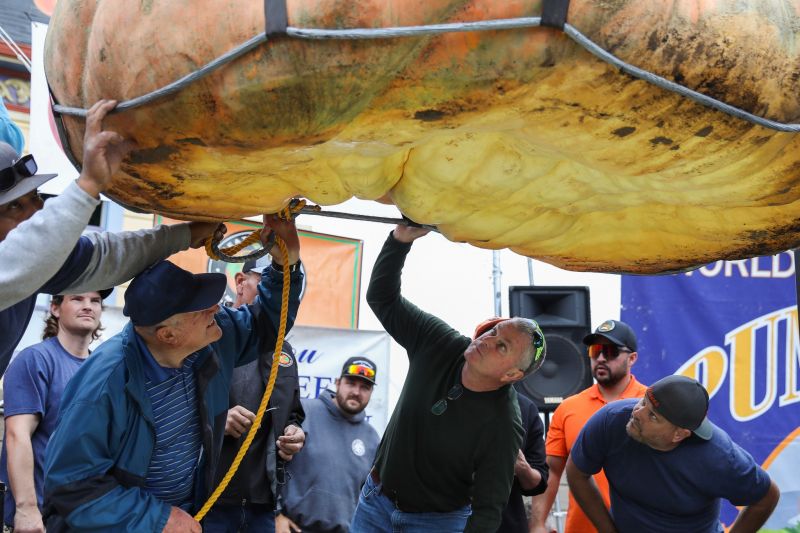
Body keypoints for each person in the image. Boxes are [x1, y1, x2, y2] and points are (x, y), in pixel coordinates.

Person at [43, 216, 304, 532]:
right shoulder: (104, 382)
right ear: (167, 334)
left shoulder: (208, 341)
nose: (216, 310)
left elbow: (266, 326)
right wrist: (158, 518)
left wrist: (284, 265)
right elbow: (72, 485)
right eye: (201, 309)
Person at [350, 225, 547, 532]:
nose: (487, 340)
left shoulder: (504, 423)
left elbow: (488, 511)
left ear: (511, 375)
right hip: (375, 502)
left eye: (502, 346)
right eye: (494, 331)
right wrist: (400, 240)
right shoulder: (440, 342)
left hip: (437, 522)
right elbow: (382, 299)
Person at [0, 99, 218, 376]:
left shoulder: (37, 265)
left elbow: (104, 257)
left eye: (36, 198)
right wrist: (88, 185)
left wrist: (185, 234)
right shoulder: (22, 262)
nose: (37, 211)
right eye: (14, 206)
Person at [567, 375, 780, 533]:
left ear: (679, 434)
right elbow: (577, 473)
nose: (637, 413)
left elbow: (767, 496)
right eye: (643, 402)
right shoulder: (611, 420)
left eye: (653, 416)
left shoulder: (719, 455)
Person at [203, 256, 306, 532]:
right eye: (268, 283)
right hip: (207, 502)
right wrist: (216, 421)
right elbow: (174, 406)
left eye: (283, 288)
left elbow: (293, 412)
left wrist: (295, 433)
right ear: (240, 282)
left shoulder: (284, 351)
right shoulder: (206, 334)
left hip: (263, 506)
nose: (277, 295)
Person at [0, 290, 110, 533]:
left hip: (83, 518)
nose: (88, 306)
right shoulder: (36, 360)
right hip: (40, 520)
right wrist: (27, 510)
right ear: (55, 308)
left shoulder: (102, 370)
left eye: (95, 301)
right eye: (77, 298)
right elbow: (17, 436)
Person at [530, 319, 647, 533]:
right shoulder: (568, 408)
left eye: (610, 351)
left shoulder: (651, 404)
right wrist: (538, 523)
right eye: (595, 351)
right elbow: (552, 470)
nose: (601, 358)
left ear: (632, 358)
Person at [276, 356, 381, 533]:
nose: (357, 391)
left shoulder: (372, 439)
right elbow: (270, 463)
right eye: (351, 383)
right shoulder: (302, 413)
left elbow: (372, 498)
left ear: (371, 393)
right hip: (291, 527)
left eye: (365, 387)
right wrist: (276, 514)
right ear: (338, 382)